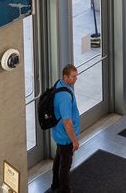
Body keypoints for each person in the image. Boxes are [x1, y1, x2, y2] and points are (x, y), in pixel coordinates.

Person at [50, 64, 81, 193]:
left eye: (76, 76)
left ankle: (55, 185)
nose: (76, 79)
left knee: (58, 160)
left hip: (58, 133)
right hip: (65, 137)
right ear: (65, 77)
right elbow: (67, 121)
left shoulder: (60, 85)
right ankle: (64, 190)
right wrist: (74, 141)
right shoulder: (65, 97)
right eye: (73, 76)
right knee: (65, 166)